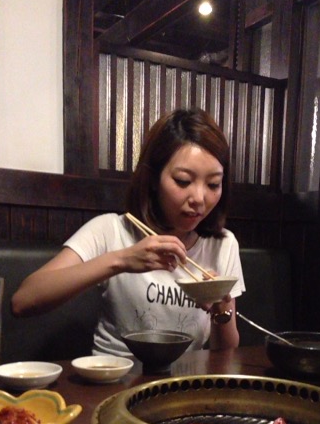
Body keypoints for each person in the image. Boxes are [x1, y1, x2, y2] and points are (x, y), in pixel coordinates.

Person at [12, 108, 245, 356]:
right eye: (183, 181)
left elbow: (226, 352)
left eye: (213, 184)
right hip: (115, 375)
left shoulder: (222, 244)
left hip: (184, 378)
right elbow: (23, 301)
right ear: (153, 179)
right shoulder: (111, 230)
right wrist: (122, 260)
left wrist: (221, 307)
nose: (199, 198)